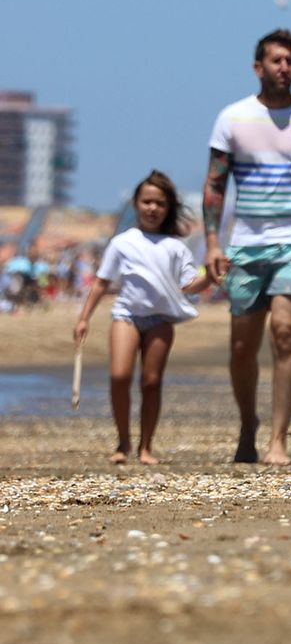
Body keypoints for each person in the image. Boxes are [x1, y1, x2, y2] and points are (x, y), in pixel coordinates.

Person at [203, 28, 291, 465]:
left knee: (284, 332)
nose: (285, 68)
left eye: (290, 61)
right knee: (242, 347)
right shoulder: (232, 118)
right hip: (246, 246)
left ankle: (279, 440)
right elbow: (215, 184)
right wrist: (212, 242)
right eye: (277, 60)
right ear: (257, 66)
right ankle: (249, 424)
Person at [73, 170, 213, 465]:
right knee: (119, 376)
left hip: (161, 320)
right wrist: (84, 318)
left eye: (159, 203)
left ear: (168, 207)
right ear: (136, 204)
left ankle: (146, 446)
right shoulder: (122, 242)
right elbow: (101, 282)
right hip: (127, 316)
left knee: (151, 381)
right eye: (147, 202)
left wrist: (211, 277)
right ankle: (123, 441)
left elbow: (189, 285)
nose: (152, 208)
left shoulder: (175, 247)